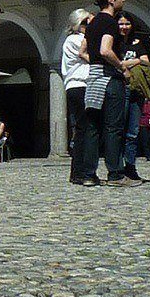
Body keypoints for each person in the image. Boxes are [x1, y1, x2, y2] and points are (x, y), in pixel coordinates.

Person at [78, 0, 138, 187]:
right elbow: (105, 50)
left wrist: (95, 63)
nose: (123, 0)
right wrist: (122, 67)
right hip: (109, 79)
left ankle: (88, 174)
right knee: (113, 127)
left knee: (93, 127)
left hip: (93, 78)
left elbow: (82, 52)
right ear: (111, 0)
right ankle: (115, 173)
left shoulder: (93, 23)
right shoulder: (110, 23)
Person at [118, 14, 150, 182]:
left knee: (133, 131)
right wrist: (134, 61)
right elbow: (114, 62)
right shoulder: (115, 43)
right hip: (121, 88)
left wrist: (124, 63)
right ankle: (117, 166)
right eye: (121, 23)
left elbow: (145, 62)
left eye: (127, 24)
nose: (124, 27)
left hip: (137, 90)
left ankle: (130, 166)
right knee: (119, 129)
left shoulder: (138, 43)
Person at [62, 10, 92, 183]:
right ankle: (79, 171)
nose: (89, 27)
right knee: (84, 129)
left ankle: (79, 170)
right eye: (86, 23)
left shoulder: (73, 40)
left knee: (83, 128)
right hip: (80, 85)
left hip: (75, 86)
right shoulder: (76, 40)